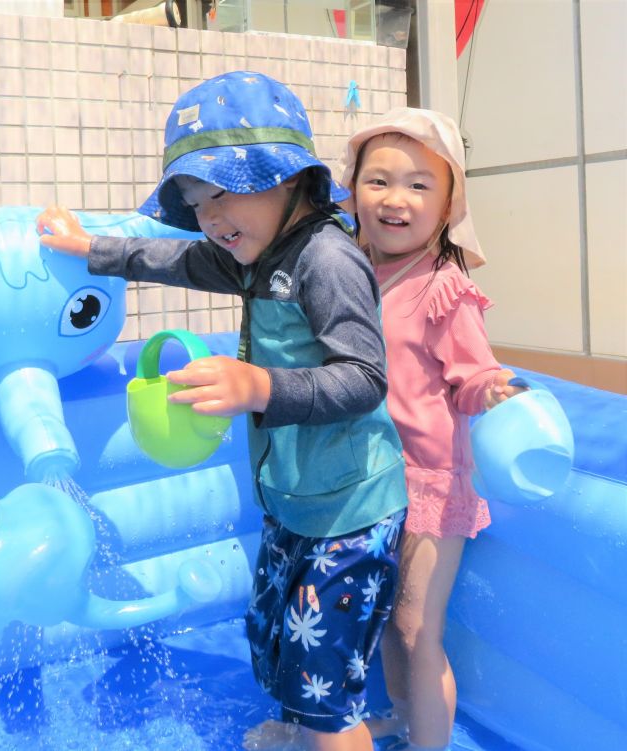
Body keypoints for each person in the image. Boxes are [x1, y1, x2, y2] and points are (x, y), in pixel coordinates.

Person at [37, 71, 408, 751]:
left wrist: (259, 387)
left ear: (288, 177)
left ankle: (325, 729)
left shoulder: (327, 259)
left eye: (222, 193)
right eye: (195, 200)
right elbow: (174, 259)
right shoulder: (252, 255)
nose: (208, 217)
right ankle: (301, 726)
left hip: (352, 508)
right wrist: (90, 250)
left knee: (325, 676)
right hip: (294, 498)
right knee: (276, 635)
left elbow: (364, 379)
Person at [336, 108, 523, 751]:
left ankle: (430, 743)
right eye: (378, 181)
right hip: (368, 479)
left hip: (431, 480)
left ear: (447, 208)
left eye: (419, 185)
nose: (396, 199)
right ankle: (398, 717)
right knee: (388, 619)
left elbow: (471, 376)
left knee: (418, 626)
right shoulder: (351, 272)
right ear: (352, 190)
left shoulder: (443, 288)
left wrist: (492, 389)